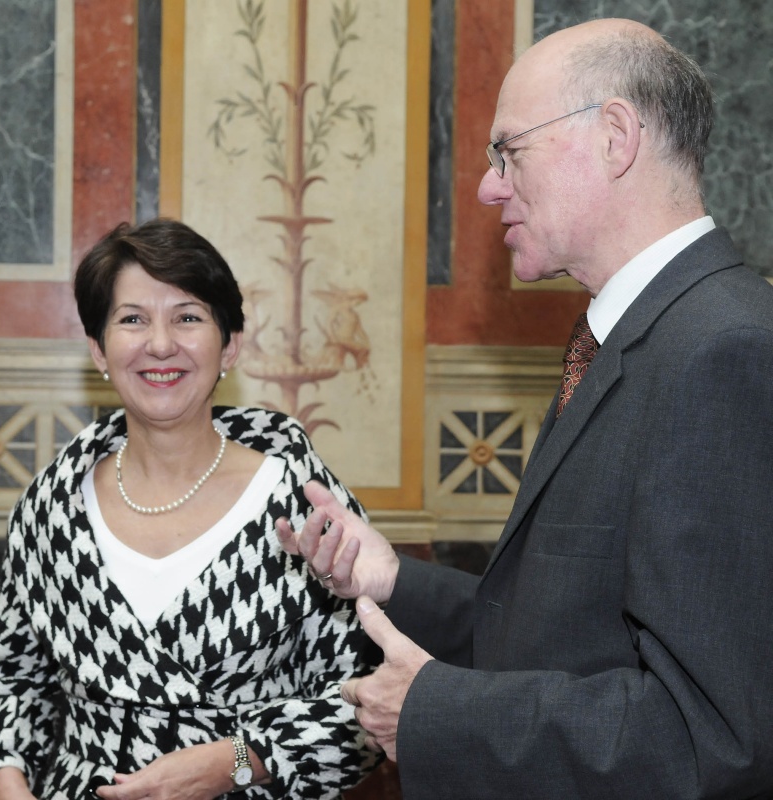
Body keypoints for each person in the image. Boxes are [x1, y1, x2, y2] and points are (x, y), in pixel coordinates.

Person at [276, 17, 773, 799]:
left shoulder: (722, 352)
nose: (486, 185)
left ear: (615, 136)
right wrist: (390, 578)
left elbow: (710, 736)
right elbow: (560, 630)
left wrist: (434, 711)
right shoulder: (632, 337)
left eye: (509, 150)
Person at [0, 218, 379, 800]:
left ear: (230, 345)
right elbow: (9, 678)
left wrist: (235, 761)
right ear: (98, 349)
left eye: (187, 318)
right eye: (132, 319)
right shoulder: (51, 508)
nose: (160, 344)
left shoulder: (303, 503)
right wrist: (10, 785)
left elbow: (370, 699)